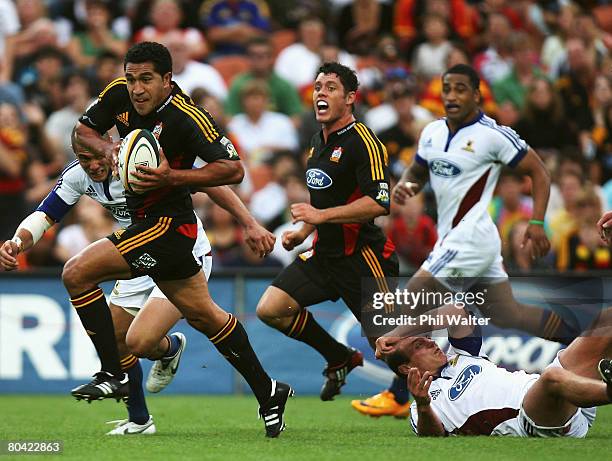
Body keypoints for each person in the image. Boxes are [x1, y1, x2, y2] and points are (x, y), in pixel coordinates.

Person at [58, 41, 289, 437]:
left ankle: (113, 373)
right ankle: (269, 390)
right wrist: (109, 148)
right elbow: (83, 130)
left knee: (76, 272)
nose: (137, 88)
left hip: (170, 227)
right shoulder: (118, 94)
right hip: (149, 227)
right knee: (203, 318)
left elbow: (232, 170)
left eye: (146, 79)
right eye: (132, 79)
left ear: (167, 79)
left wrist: (174, 178)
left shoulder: (188, 118)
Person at [0, 128, 276, 435]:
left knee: (156, 335)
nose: (91, 165)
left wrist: (250, 222)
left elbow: (207, 183)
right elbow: (46, 214)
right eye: (83, 158)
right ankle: (141, 417)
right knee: (120, 339)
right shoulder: (78, 176)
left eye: (96, 156)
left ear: (112, 145)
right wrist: (16, 242)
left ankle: (266, 391)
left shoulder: (140, 159)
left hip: (179, 249)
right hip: (136, 251)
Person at [352, 64, 580, 418]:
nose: (452, 96)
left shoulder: (493, 135)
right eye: (447, 89)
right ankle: (582, 343)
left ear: (476, 94)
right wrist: (408, 185)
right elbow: (419, 168)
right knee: (509, 313)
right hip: (464, 239)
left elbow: (539, 172)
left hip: (469, 238)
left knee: (409, 304)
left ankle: (398, 395)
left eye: (461, 89)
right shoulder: (430, 132)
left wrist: (536, 222)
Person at [255, 62, 399, 401]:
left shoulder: (365, 141)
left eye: (331, 87)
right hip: (324, 255)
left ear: (350, 98)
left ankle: (444, 394)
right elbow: (325, 198)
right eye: (318, 86)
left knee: (392, 344)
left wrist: (317, 216)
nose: (321, 92)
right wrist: (305, 230)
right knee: (271, 308)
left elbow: (380, 202)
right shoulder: (316, 142)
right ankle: (339, 357)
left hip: (364, 257)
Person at [379, 306, 612, 437]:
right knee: (552, 378)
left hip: (564, 402)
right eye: (418, 346)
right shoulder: (421, 407)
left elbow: (454, 311)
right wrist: (422, 403)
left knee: (606, 320)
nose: (430, 342)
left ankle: (601, 388)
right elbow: (433, 436)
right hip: (534, 421)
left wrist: (399, 332)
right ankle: (606, 389)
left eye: (427, 338)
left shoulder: (462, 355)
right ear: (406, 368)